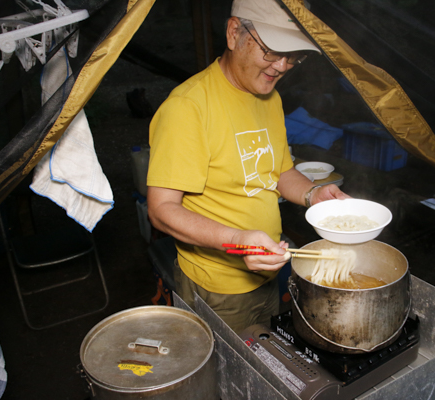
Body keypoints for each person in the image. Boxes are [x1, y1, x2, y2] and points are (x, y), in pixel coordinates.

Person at [146, 0, 350, 333]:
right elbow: (162, 209)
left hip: (268, 273)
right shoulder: (188, 107)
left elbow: (280, 172)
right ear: (233, 32)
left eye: (294, 55)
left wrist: (315, 195)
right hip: (218, 289)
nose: (282, 66)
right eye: (271, 51)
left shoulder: (270, 97)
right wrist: (240, 241)